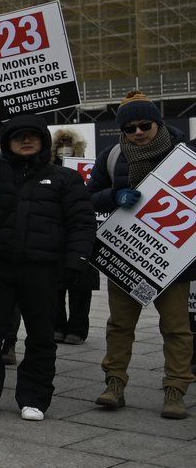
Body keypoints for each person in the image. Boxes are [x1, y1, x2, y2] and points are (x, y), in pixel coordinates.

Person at [0, 115, 94, 421]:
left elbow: (81, 223)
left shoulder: (65, 178)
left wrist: (76, 261)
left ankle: (34, 398)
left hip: (43, 270)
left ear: (44, 141)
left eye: (33, 135)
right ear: (7, 143)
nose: (26, 140)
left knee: (41, 337)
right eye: (18, 136)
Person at [89, 93, 194, 419]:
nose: (138, 132)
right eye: (129, 127)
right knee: (120, 324)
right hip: (128, 253)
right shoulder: (112, 156)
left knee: (176, 327)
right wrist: (113, 196)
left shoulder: (186, 154)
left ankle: (175, 390)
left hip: (173, 258)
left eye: (144, 125)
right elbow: (89, 197)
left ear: (158, 123)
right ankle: (114, 385)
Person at [49, 128, 95, 346]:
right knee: (54, 286)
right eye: (60, 144)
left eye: (68, 144)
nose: (63, 149)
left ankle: (77, 328)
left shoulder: (88, 169)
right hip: (55, 233)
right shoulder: (47, 171)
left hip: (81, 230)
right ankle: (57, 325)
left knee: (81, 286)